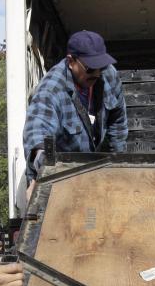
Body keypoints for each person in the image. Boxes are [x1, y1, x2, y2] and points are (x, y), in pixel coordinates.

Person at [22, 30, 128, 186]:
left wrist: (117, 167)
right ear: (71, 61)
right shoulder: (51, 90)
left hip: (94, 167)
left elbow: (118, 120)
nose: (97, 74)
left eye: (102, 66)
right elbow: (37, 129)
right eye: (91, 68)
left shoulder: (108, 75)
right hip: (60, 174)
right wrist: (44, 164)